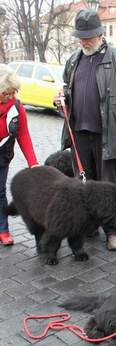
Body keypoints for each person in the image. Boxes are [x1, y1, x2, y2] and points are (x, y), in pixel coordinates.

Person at [55, 9, 116, 251]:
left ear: (100, 34)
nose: (84, 41)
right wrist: (62, 100)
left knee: (107, 187)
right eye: (80, 36)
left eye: (88, 36)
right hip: (79, 133)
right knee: (84, 183)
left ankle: (112, 231)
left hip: (108, 135)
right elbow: (67, 92)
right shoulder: (73, 60)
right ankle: (89, 224)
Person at [0, 65, 38, 246]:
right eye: (6, 93)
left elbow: (23, 135)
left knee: (0, 192)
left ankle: (3, 229)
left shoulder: (16, 106)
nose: (10, 96)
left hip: (3, 155)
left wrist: (33, 163)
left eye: (13, 92)